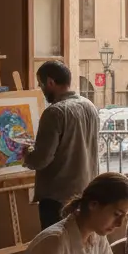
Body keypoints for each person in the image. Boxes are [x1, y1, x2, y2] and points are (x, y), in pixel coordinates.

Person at [23, 60, 101, 230]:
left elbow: (42, 159)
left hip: (58, 199)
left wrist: (27, 153)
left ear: (50, 82)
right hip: (86, 193)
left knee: (55, 250)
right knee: (79, 249)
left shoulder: (54, 112)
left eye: (41, 84)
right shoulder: (89, 106)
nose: (41, 89)